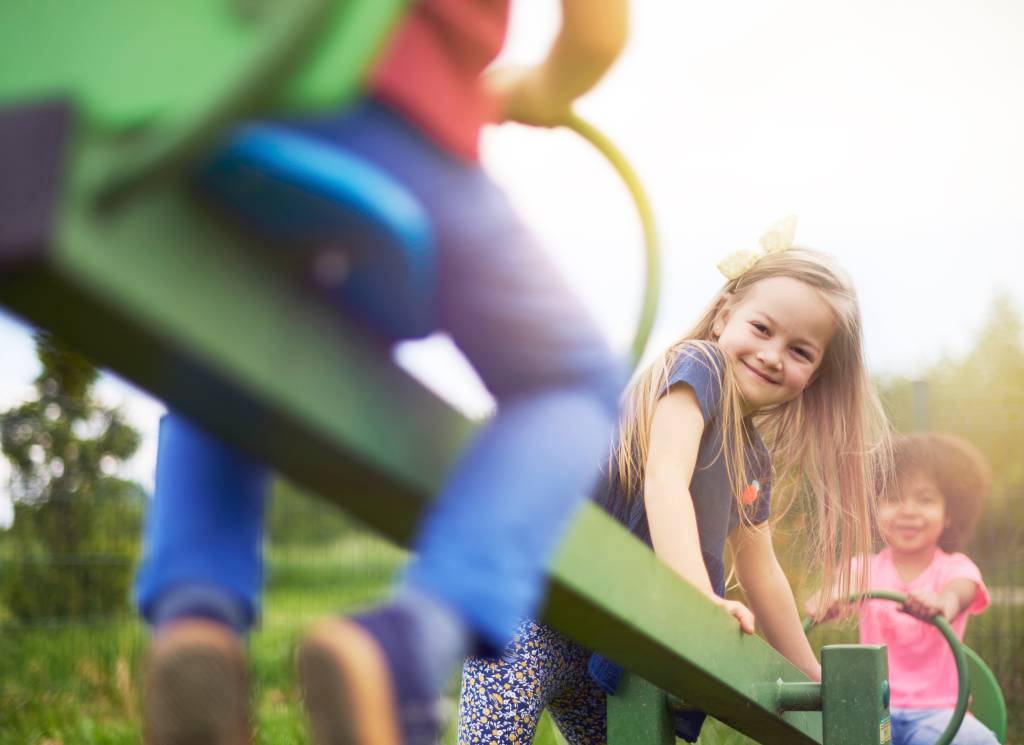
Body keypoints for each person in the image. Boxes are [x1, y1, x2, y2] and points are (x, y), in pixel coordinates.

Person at [134, 2, 630, 744]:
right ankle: (408, 640)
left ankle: (194, 622)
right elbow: (596, 33)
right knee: (575, 381)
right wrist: (533, 92)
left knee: (233, 329)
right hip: (392, 117)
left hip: (202, 113)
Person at [458, 218, 893, 744]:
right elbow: (665, 478)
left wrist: (812, 680)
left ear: (815, 375)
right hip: (537, 606)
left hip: (608, 650)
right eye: (762, 328)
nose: (773, 354)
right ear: (723, 318)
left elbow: (763, 572)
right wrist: (698, 600)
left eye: (801, 351)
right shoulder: (698, 366)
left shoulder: (753, 459)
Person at [808, 433, 997, 745]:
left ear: (949, 514)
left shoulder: (954, 568)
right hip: (874, 706)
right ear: (875, 508)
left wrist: (943, 601)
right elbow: (837, 592)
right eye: (894, 499)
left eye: (925, 499)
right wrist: (827, 601)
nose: (908, 510)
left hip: (938, 712)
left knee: (976, 740)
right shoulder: (863, 569)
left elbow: (960, 591)